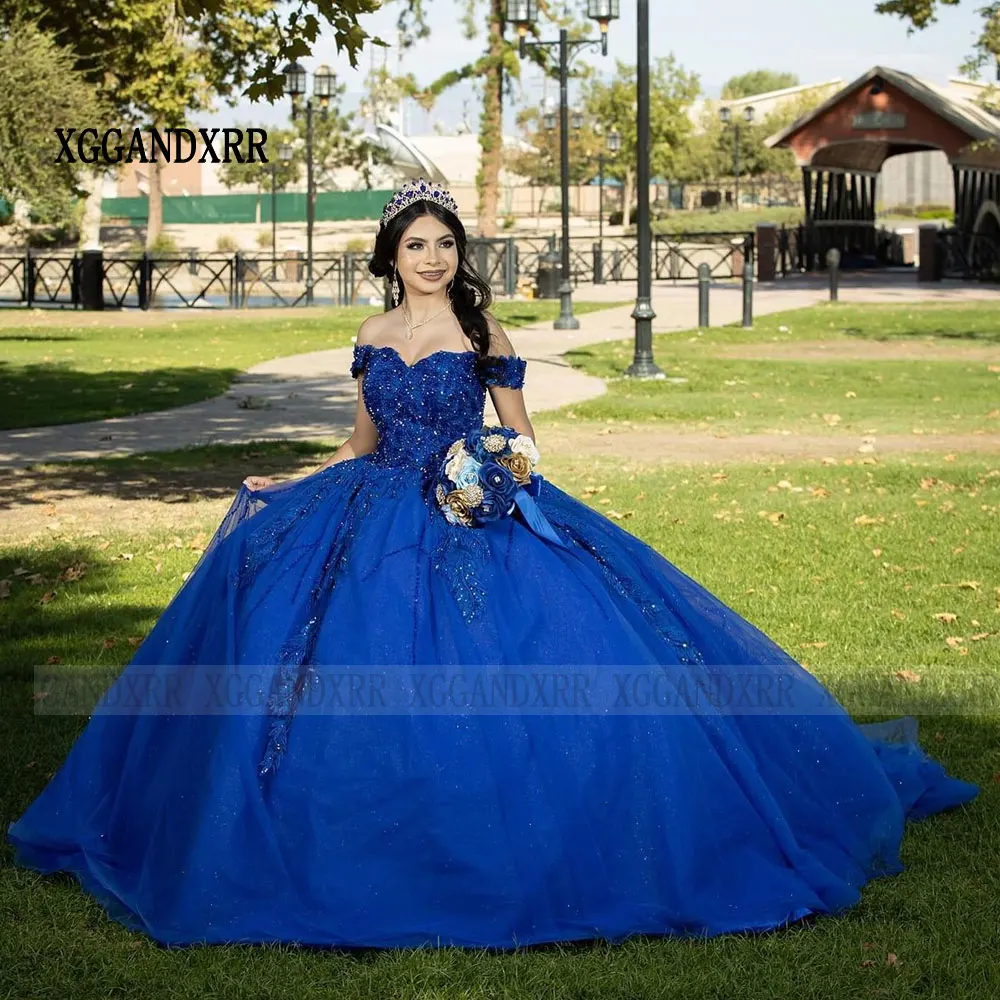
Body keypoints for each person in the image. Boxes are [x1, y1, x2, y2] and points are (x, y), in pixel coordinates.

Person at [8, 178, 977, 951]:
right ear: (390, 256)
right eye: (415, 244)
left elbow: (523, 440)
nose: (432, 258)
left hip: (476, 508)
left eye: (445, 244)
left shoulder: (484, 334)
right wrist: (289, 478)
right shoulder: (372, 335)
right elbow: (358, 441)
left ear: (457, 255)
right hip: (369, 507)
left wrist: (490, 476)